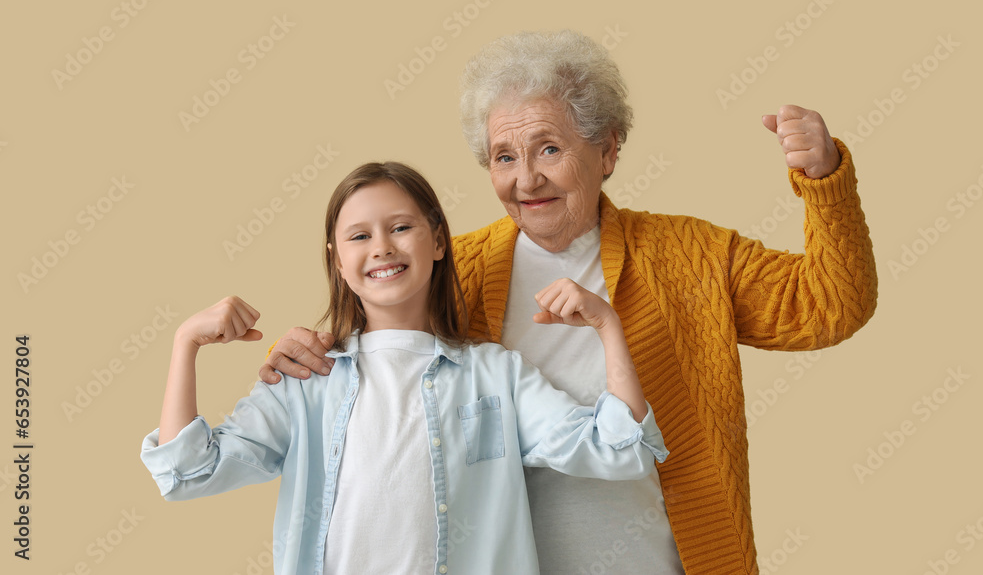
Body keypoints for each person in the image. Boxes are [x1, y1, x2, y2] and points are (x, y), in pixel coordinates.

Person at [260, 30, 878, 574]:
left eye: (549, 150)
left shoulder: (690, 255)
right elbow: (381, 364)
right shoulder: (456, 268)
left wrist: (823, 181)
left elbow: (830, 303)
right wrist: (311, 353)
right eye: (505, 157)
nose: (525, 180)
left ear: (607, 151)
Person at [140, 161, 667, 575]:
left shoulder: (497, 375)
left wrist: (608, 328)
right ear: (337, 262)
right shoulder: (306, 380)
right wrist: (185, 344)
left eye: (400, 227)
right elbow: (190, 473)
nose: (382, 247)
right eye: (359, 236)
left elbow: (620, 451)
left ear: (438, 240)